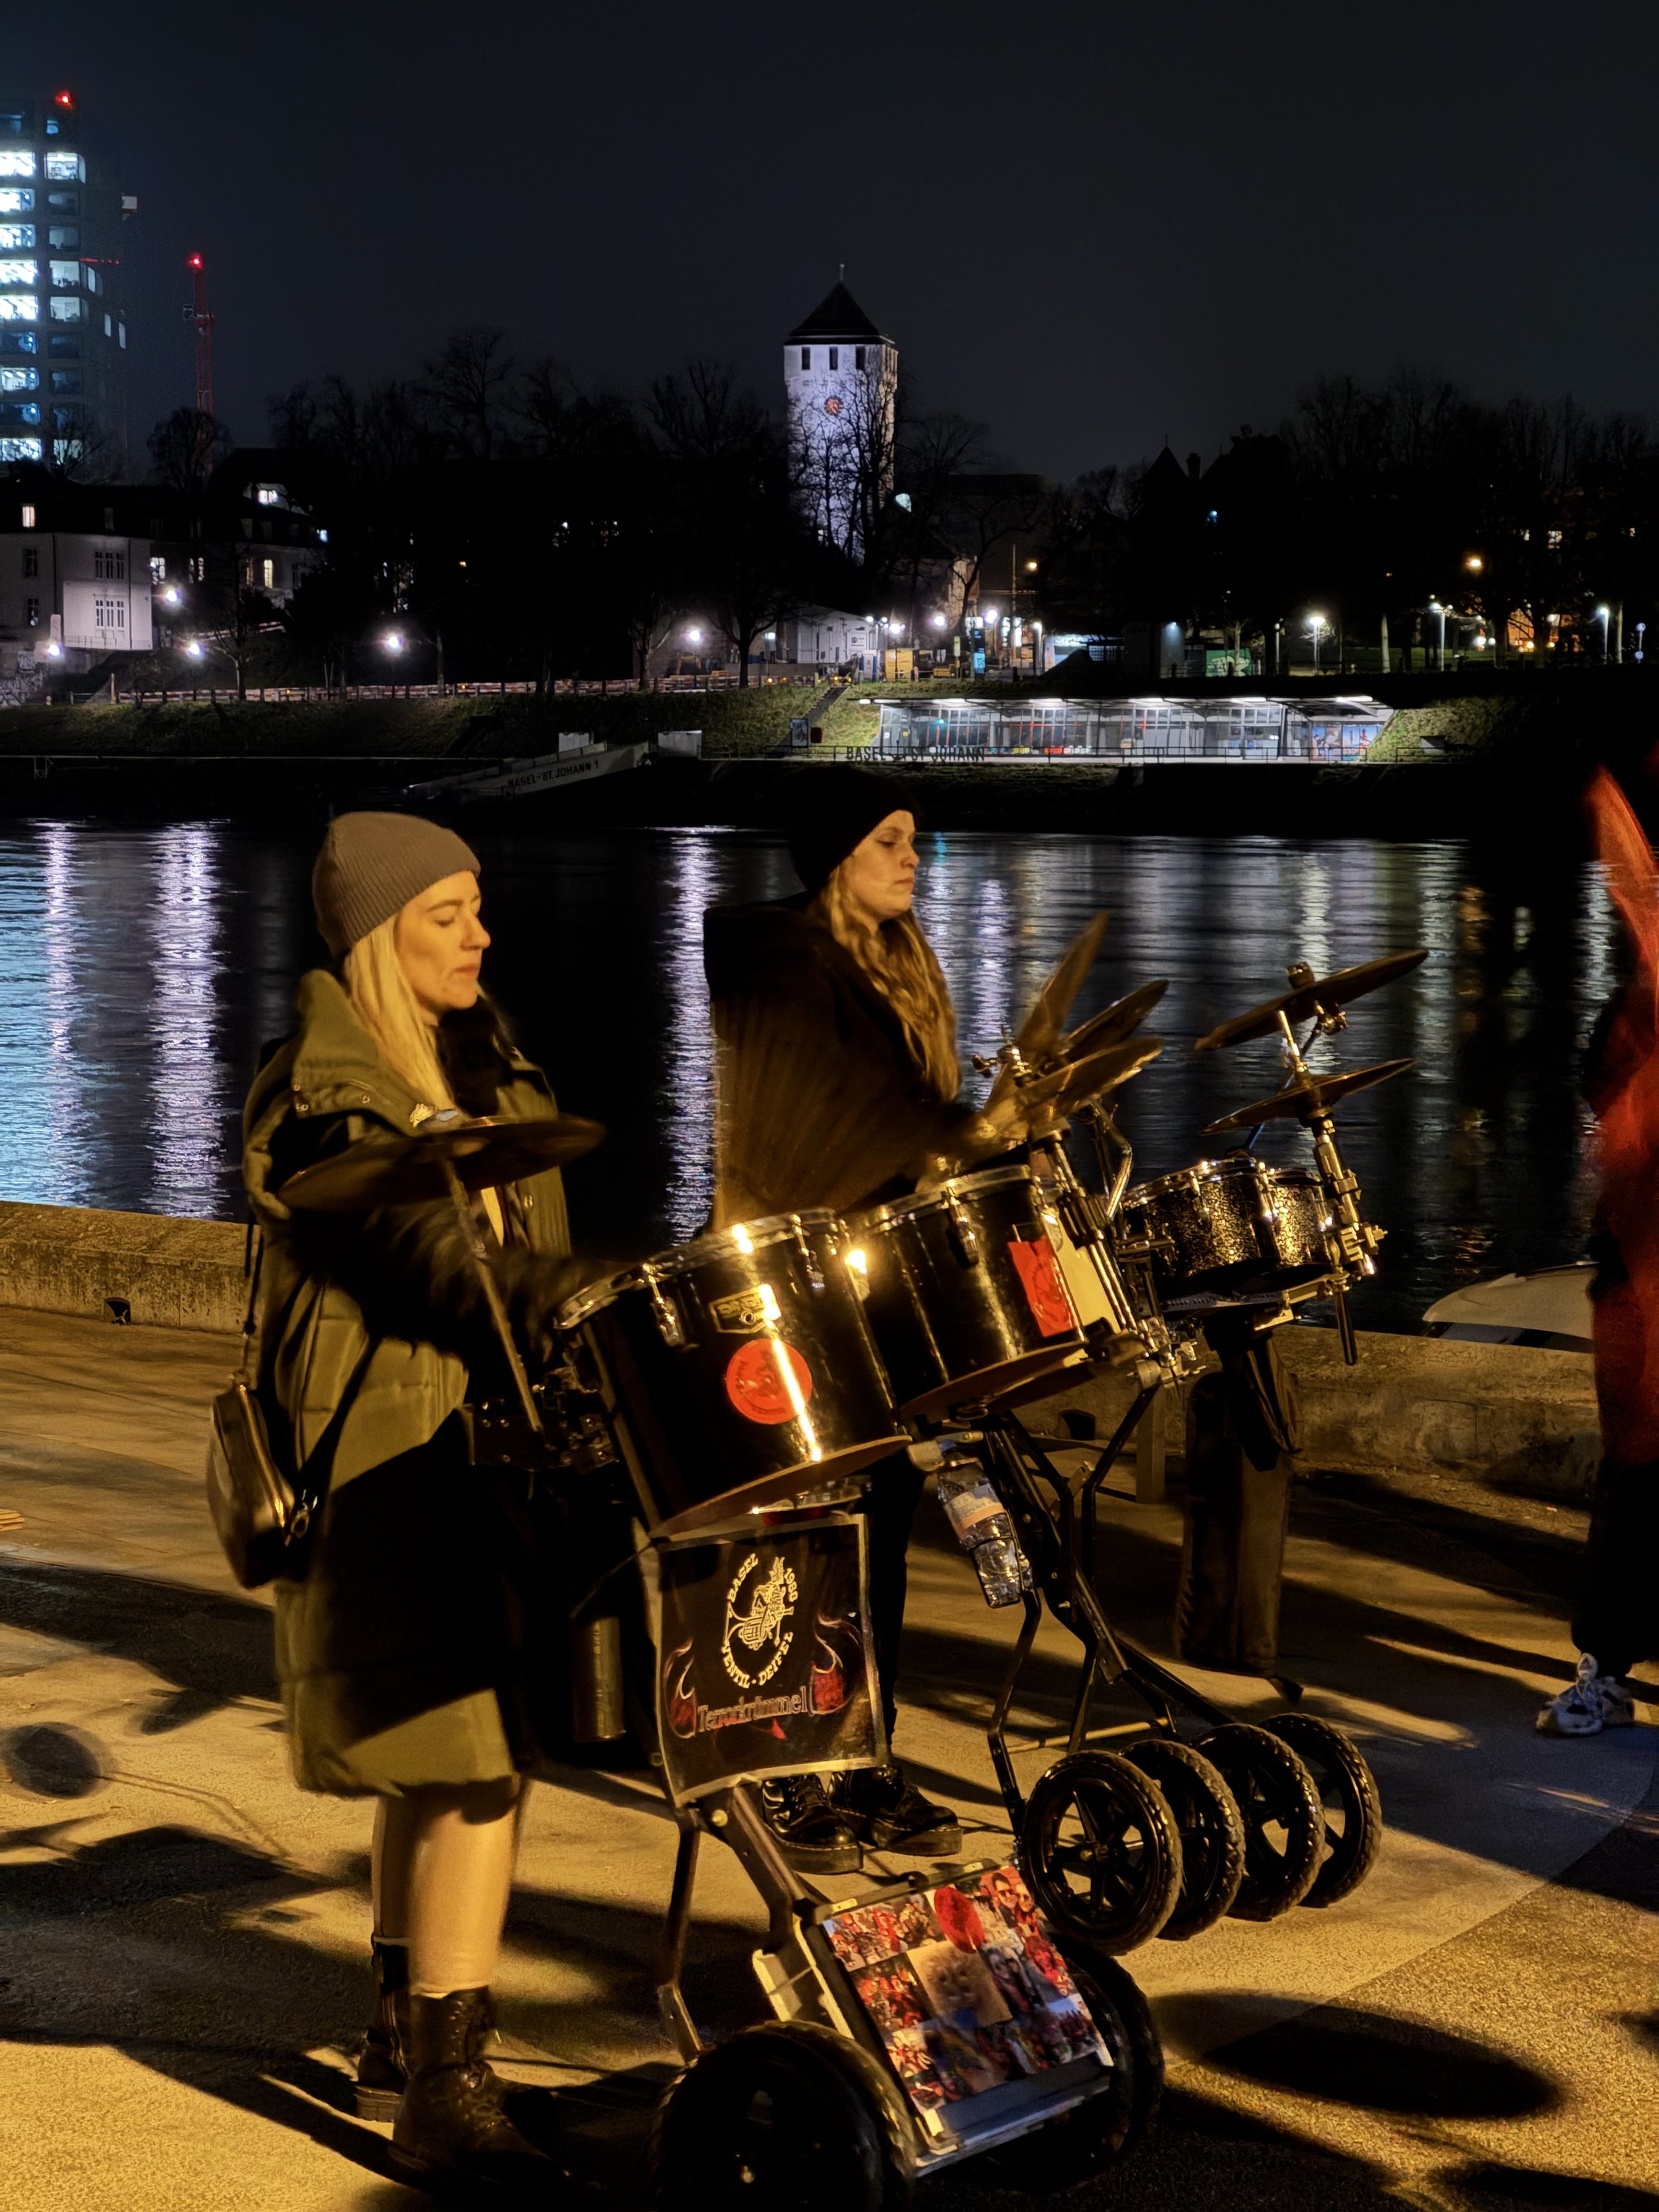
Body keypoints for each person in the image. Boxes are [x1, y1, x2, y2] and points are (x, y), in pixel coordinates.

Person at [242, 812, 587, 2192]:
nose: (481, 934)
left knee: (440, 1756)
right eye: (447, 912)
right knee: (475, 1765)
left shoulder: (484, 1067)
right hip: (387, 1459)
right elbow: (404, 1246)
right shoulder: (327, 1090)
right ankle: (449, 2086)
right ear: (381, 932)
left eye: (480, 906)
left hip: (473, 1445)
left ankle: (400, 2029)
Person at [704, 766, 1013, 1870]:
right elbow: (854, 1114)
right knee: (807, 1531)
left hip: (874, 1285)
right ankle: (793, 1766)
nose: (912, 858)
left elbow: (905, 1127)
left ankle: (862, 1752)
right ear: (839, 853)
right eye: (890, 839)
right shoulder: (785, 962)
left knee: (876, 1528)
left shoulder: (895, 969)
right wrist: (972, 1133)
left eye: (916, 840)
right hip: (792, 1283)